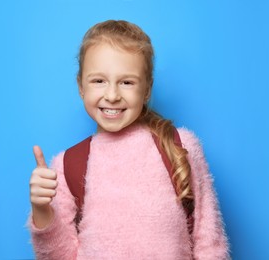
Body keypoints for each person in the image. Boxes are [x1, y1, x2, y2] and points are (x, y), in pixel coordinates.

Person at [28, 20, 229, 259]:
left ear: (146, 90)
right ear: (81, 86)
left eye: (126, 82)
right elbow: (59, 256)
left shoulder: (181, 147)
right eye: (99, 81)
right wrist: (41, 211)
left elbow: (210, 244)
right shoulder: (67, 164)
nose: (112, 95)